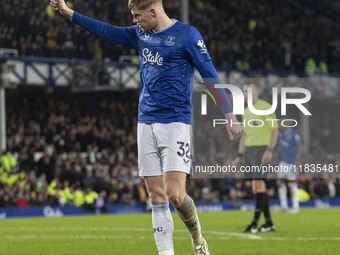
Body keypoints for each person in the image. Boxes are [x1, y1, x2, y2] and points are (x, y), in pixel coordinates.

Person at [50, 0, 243, 254]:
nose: (134, 20)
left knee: (175, 194)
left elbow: (210, 75)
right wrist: (69, 12)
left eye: (137, 15)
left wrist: (229, 113)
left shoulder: (187, 35)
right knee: (156, 195)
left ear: (153, 11)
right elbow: (106, 30)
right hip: (145, 122)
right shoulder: (140, 34)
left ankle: (197, 237)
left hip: (175, 123)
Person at [232, 83, 278, 233]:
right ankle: (269, 223)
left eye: (247, 91)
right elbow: (244, 134)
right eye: (244, 91)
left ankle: (254, 223)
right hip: (250, 151)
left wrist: (269, 150)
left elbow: (274, 130)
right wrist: (240, 155)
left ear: (256, 92)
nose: (245, 94)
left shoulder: (265, 107)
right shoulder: (246, 111)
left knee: (258, 186)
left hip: (261, 150)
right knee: (258, 187)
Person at [277, 120, 302, 213]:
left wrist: (298, 160)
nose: (281, 123)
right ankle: (284, 206)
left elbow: (299, 146)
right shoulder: (280, 133)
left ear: (289, 123)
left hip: (291, 162)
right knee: (281, 184)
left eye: (283, 122)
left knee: (292, 184)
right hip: (283, 162)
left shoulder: (294, 134)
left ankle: (296, 206)